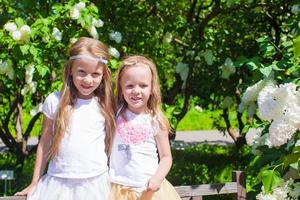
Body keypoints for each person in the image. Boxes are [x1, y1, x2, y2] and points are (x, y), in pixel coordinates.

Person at [15, 37, 115, 200]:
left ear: (103, 75)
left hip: (95, 183)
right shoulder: (54, 101)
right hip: (59, 183)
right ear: (70, 70)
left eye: (95, 74)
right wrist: (35, 182)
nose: (88, 80)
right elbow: (45, 142)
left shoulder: (105, 103)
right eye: (81, 72)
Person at [109, 55, 181, 200]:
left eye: (143, 85)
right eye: (129, 86)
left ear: (152, 88)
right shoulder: (114, 114)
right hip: (119, 190)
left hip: (149, 191)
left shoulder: (156, 120)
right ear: (121, 88)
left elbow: (166, 157)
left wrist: (158, 178)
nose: (136, 91)